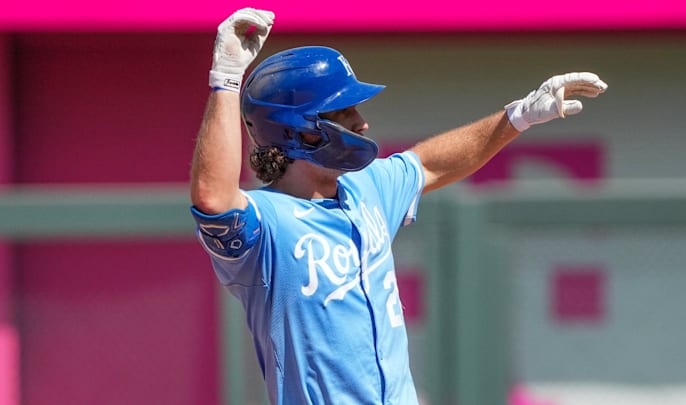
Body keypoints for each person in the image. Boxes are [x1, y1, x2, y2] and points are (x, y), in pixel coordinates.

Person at [189, 8, 607, 405]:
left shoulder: (367, 187)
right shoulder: (266, 224)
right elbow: (213, 198)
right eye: (345, 111)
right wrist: (225, 80)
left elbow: (430, 163)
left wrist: (518, 117)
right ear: (302, 131)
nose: (362, 122)